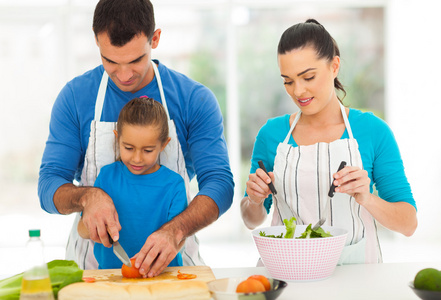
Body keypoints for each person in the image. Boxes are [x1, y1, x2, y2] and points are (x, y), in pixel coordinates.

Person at [38, 0, 234, 277]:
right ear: (96, 41)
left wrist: (174, 231)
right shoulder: (75, 97)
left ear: (155, 39)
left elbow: (220, 183)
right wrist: (87, 197)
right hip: (90, 272)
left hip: (174, 268)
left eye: (135, 60)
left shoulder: (194, 99)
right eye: (110, 61)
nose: (124, 75)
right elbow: (49, 185)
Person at [241, 19, 417, 264]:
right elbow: (251, 219)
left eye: (308, 77)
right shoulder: (271, 135)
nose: (298, 91)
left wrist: (367, 198)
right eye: (288, 81)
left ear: (334, 66)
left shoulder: (372, 131)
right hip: (286, 274)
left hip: (356, 278)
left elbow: (408, 223)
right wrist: (254, 199)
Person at [77, 97, 186, 269]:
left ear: (164, 144)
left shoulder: (174, 185)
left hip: (164, 277)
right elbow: (82, 230)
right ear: (117, 138)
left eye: (148, 150)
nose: (137, 158)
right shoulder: (107, 176)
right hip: (111, 277)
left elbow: (179, 239)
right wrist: (93, 226)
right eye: (128, 148)